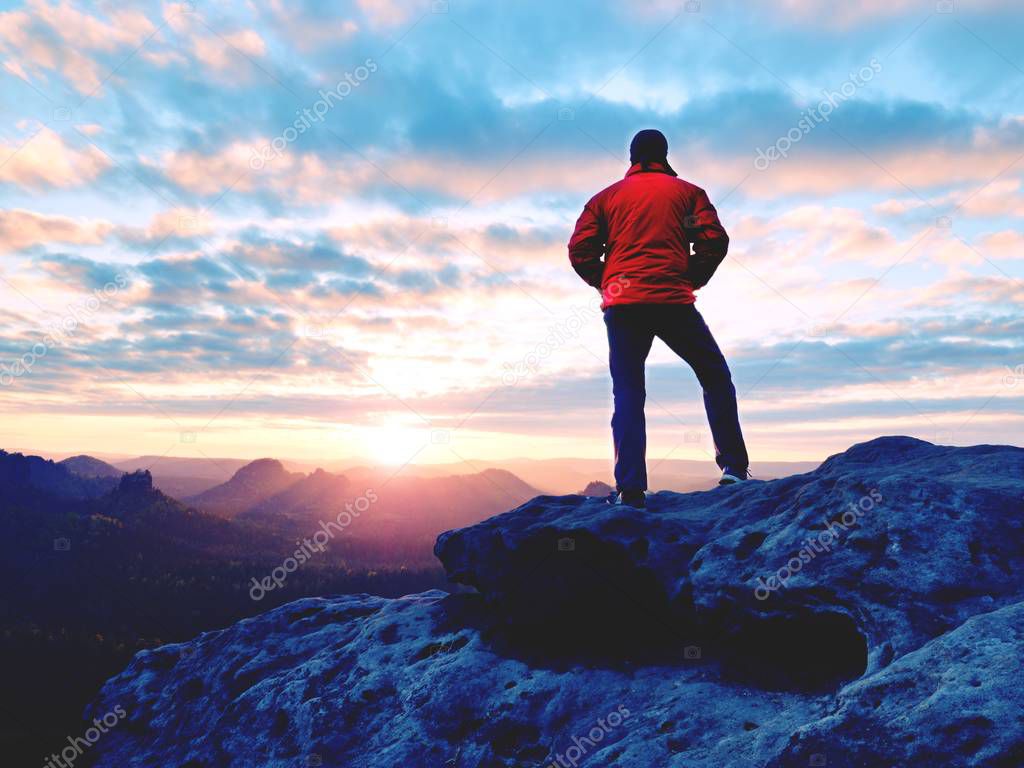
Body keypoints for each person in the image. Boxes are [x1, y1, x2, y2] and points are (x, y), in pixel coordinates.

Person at [568, 129, 749, 508]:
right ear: (665, 154)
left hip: (623, 306)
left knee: (629, 393)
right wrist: (692, 275)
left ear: (631, 157)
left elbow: (579, 249)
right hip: (672, 300)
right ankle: (733, 469)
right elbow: (714, 239)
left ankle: (630, 490)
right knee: (715, 376)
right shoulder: (687, 194)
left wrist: (608, 282)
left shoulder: (605, 199)